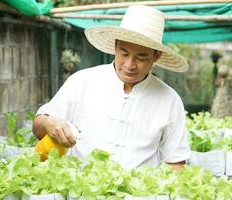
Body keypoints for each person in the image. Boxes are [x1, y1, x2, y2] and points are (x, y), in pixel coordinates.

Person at [33, 5, 190, 170]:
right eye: (124, 53)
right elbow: (38, 127)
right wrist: (49, 123)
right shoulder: (82, 81)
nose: (129, 65)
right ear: (115, 46)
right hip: (82, 191)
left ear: (156, 56)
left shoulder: (169, 100)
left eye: (141, 57)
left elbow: (176, 162)